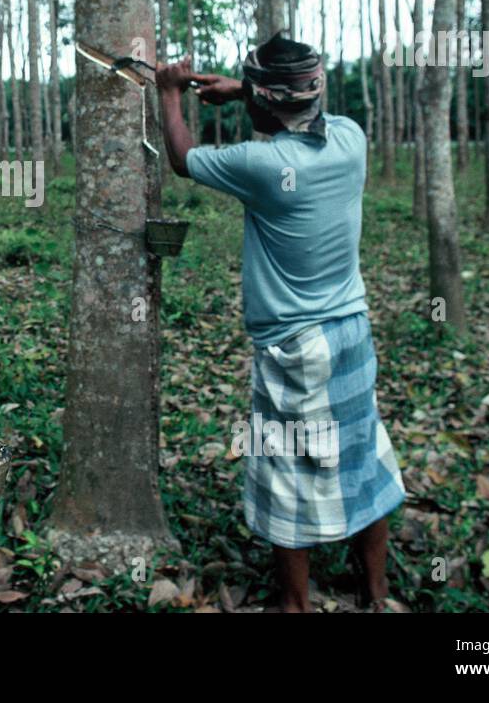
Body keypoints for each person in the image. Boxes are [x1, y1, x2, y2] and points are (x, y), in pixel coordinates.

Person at [155, 33, 407, 613]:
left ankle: (296, 604)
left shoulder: (263, 164)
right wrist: (245, 89)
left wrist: (171, 94)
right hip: (352, 334)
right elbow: (292, 107)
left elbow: (183, 157)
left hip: (296, 347)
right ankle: (375, 590)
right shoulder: (350, 138)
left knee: (288, 472)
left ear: (265, 100)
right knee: (361, 456)